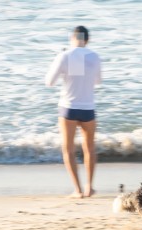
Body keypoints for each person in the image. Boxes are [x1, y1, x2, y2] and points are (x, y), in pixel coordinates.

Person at [45, 26, 102, 198]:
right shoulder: (94, 57)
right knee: (89, 149)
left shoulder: (64, 56)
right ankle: (89, 187)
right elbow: (98, 81)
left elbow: (49, 82)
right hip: (88, 108)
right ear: (87, 39)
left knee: (68, 150)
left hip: (68, 108)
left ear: (72, 37)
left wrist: (62, 63)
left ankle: (77, 190)